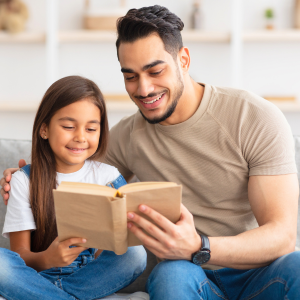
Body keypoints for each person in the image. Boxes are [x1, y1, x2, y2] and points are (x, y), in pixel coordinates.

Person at [2, 5, 300, 300]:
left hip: (260, 271)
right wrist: (26, 177)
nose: (143, 89)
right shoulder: (127, 136)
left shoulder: (254, 117)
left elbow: (282, 235)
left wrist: (198, 245)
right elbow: (73, 173)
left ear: (183, 60)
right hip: (184, 274)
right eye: (130, 76)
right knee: (171, 274)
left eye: (155, 71)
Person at [0, 75, 147, 300]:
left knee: (135, 254)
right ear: (44, 130)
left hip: (88, 280)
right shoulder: (23, 181)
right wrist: (47, 259)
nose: (80, 137)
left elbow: (120, 243)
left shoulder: (108, 176)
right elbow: (19, 256)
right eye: (69, 126)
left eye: (91, 129)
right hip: (36, 279)